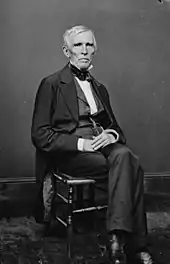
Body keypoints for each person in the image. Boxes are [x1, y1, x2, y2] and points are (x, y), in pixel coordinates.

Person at [31, 25, 154, 264]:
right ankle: (132, 243)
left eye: (89, 45)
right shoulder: (51, 84)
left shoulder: (100, 89)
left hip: (104, 146)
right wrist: (81, 144)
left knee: (125, 157)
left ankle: (116, 238)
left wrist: (111, 135)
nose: (84, 50)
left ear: (94, 50)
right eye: (78, 45)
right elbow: (40, 135)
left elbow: (117, 129)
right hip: (73, 151)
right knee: (132, 165)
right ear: (67, 52)